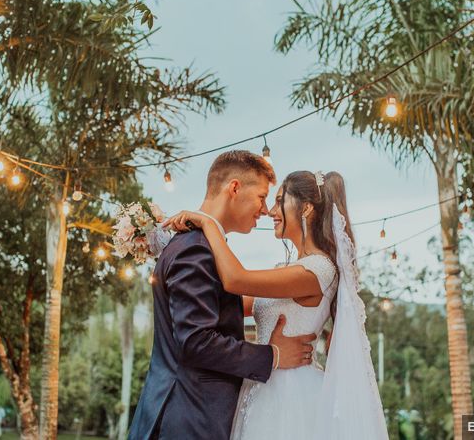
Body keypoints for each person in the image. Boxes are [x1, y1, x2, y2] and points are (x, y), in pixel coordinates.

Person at [165, 170, 388, 439]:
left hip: (291, 396)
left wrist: (209, 224)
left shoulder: (318, 270)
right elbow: (230, 299)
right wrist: (171, 261)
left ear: (305, 208)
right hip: (261, 385)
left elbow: (235, 279)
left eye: (279, 200)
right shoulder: (288, 270)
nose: (271, 211)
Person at [128, 151, 317, 440]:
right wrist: (274, 355)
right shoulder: (196, 248)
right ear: (235, 188)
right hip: (188, 418)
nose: (265, 210)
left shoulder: (202, 245)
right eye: (262, 197)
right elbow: (196, 341)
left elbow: (223, 307)